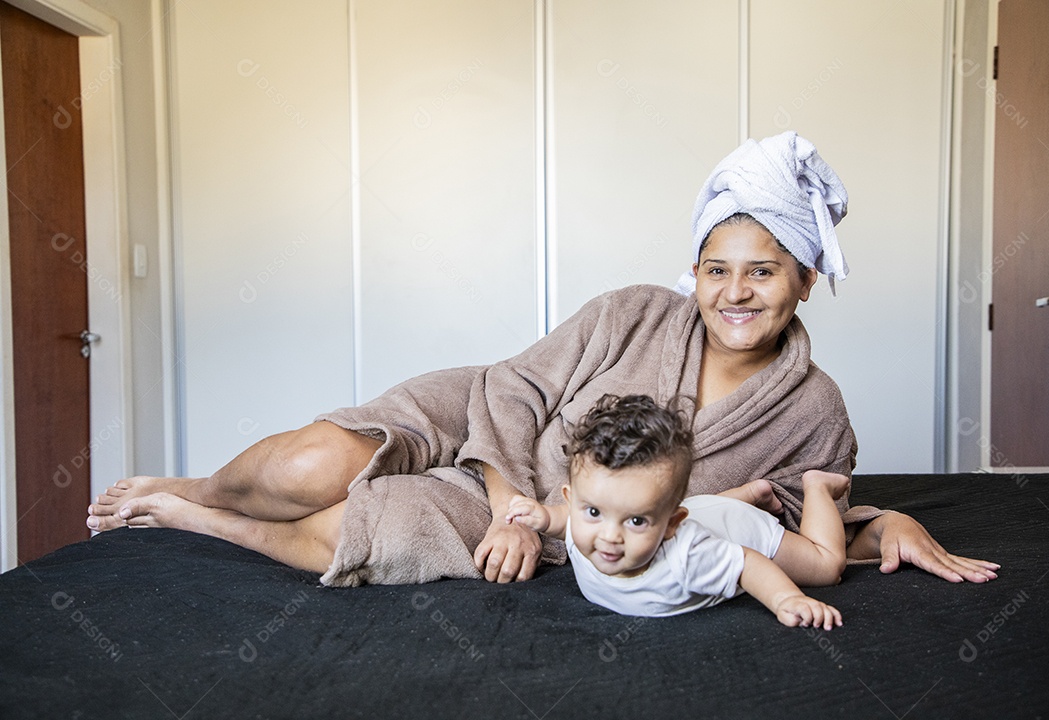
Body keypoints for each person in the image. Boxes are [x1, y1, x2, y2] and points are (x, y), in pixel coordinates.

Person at [87, 131, 999, 588]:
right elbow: (518, 384)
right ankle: (202, 486)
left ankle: (193, 520)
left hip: (565, 516)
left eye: (762, 273)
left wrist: (890, 528)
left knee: (364, 530)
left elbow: (809, 513)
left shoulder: (814, 406)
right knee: (310, 465)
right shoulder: (635, 312)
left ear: (804, 280)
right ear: (694, 273)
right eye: (716, 270)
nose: (735, 293)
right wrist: (508, 507)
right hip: (488, 424)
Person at [506, 393, 845, 627]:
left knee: (827, 567)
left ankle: (817, 486)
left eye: (636, 521)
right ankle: (746, 493)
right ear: (572, 500)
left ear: (671, 525)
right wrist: (545, 517)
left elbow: (747, 564)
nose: (609, 536)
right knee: (695, 511)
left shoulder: (690, 556)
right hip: (703, 510)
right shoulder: (586, 520)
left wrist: (786, 600)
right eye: (593, 513)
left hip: (738, 527)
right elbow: (569, 519)